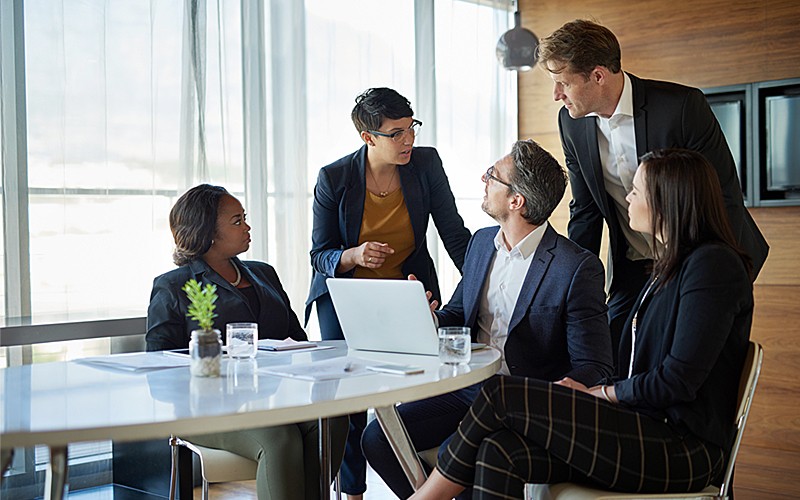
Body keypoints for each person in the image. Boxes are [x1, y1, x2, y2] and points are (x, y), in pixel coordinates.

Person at [409, 148, 754, 499]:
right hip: (644, 428)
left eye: (636, 190)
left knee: (499, 394)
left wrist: (600, 393)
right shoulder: (668, 266)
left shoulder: (713, 266)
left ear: (668, 200)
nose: (628, 198)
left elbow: (677, 381)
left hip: (681, 449)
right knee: (499, 449)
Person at [362, 139, 614, 498]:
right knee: (378, 437)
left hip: (522, 403)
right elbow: (457, 315)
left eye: (492, 176)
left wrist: (554, 395)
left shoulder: (574, 267)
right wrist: (425, 316)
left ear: (517, 201)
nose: (484, 180)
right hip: (466, 390)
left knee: (461, 454)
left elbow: (595, 365)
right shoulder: (481, 244)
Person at [536, 19, 768, 363]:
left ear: (598, 76)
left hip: (699, 262)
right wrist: (571, 283)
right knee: (612, 357)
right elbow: (584, 210)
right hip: (632, 267)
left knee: (686, 368)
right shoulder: (570, 121)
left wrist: (721, 274)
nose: (557, 95)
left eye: (562, 83)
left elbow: (723, 196)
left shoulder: (681, 107)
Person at [305, 87, 472, 499]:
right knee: (351, 402)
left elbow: (452, 231)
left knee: (429, 384)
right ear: (368, 137)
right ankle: (353, 492)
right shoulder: (335, 178)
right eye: (395, 133)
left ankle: (428, 481)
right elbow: (319, 254)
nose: (408, 140)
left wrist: (484, 276)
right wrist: (354, 254)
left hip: (407, 289)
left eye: (411, 127)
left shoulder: (425, 163)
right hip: (347, 298)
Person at [146, 184, 347, 500]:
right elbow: (156, 366)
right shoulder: (173, 286)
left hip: (273, 399)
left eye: (245, 218)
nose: (247, 227)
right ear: (208, 232)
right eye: (237, 221)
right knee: (280, 438)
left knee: (333, 419)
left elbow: (299, 341)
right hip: (207, 409)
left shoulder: (263, 274)